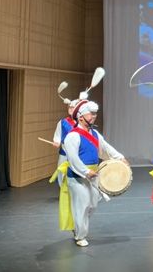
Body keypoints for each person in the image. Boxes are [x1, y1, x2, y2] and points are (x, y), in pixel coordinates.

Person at [58, 99, 128, 247]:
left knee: (92, 205)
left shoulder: (95, 133)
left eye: (95, 114)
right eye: (91, 114)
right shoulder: (72, 136)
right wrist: (85, 171)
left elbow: (106, 147)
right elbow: (73, 158)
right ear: (80, 117)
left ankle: (78, 226)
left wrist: (120, 157)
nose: (94, 117)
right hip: (77, 176)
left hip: (94, 173)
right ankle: (80, 235)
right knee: (82, 205)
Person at [52, 99, 78, 186]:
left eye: (73, 107)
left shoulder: (81, 123)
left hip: (77, 152)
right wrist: (56, 141)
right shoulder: (62, 122)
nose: (71, 109)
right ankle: (62, 189)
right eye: (69, 107)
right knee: (61, 171)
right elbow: (58, 135)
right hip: (64, 152)